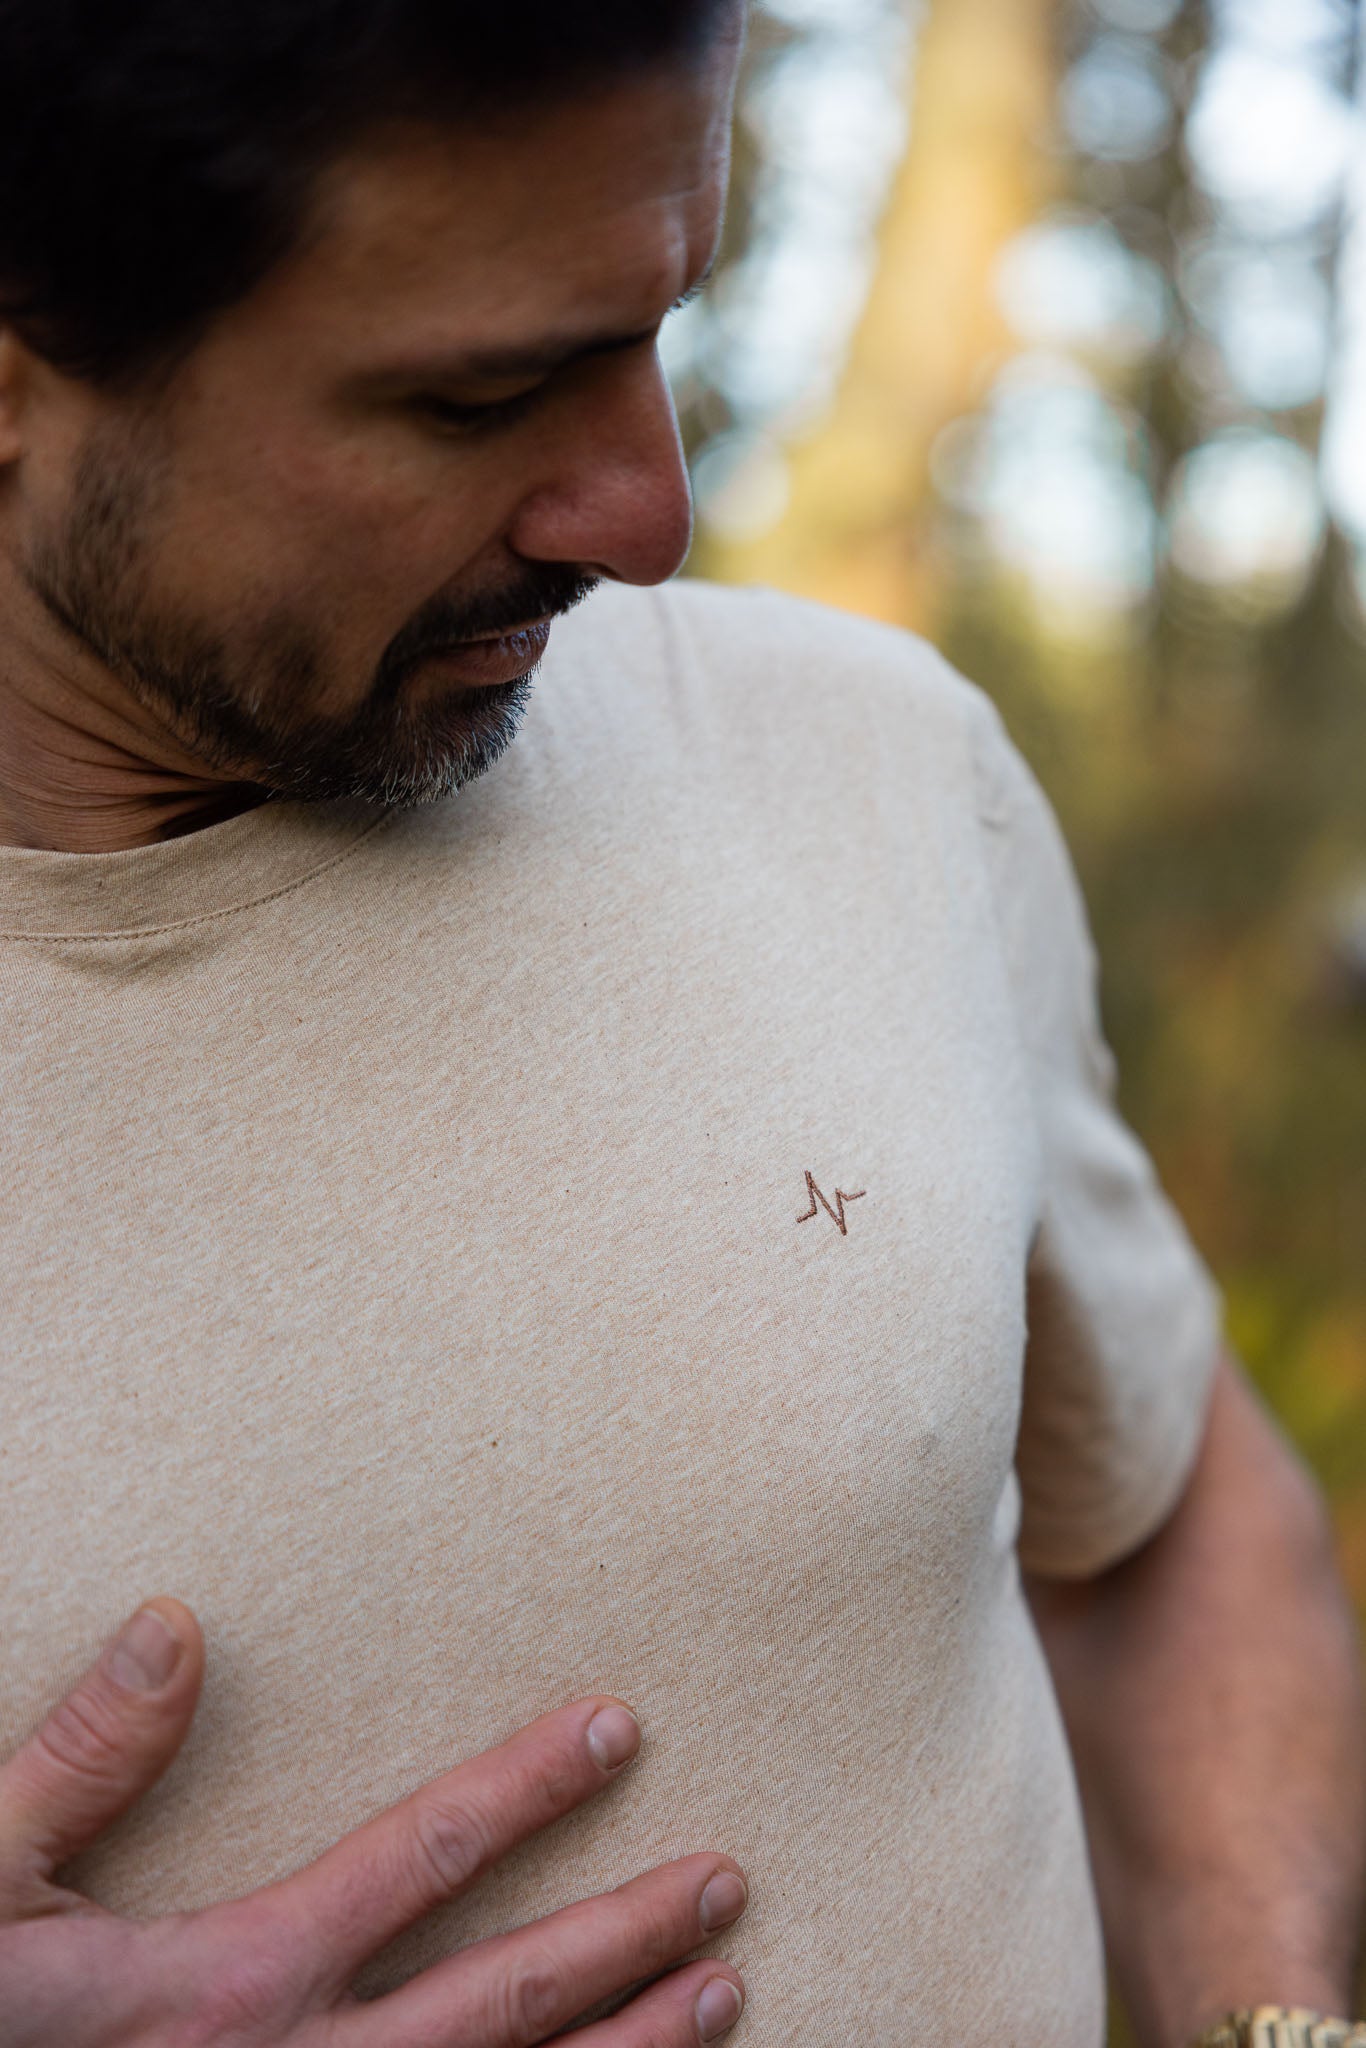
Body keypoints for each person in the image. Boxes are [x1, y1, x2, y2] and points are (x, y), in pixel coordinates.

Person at [0, 4, 1363, 2044]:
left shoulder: (874, 766)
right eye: (477, 396)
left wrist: (1275, 2024)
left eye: (658, 324)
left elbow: (1156, 1518)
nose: (647, 520)